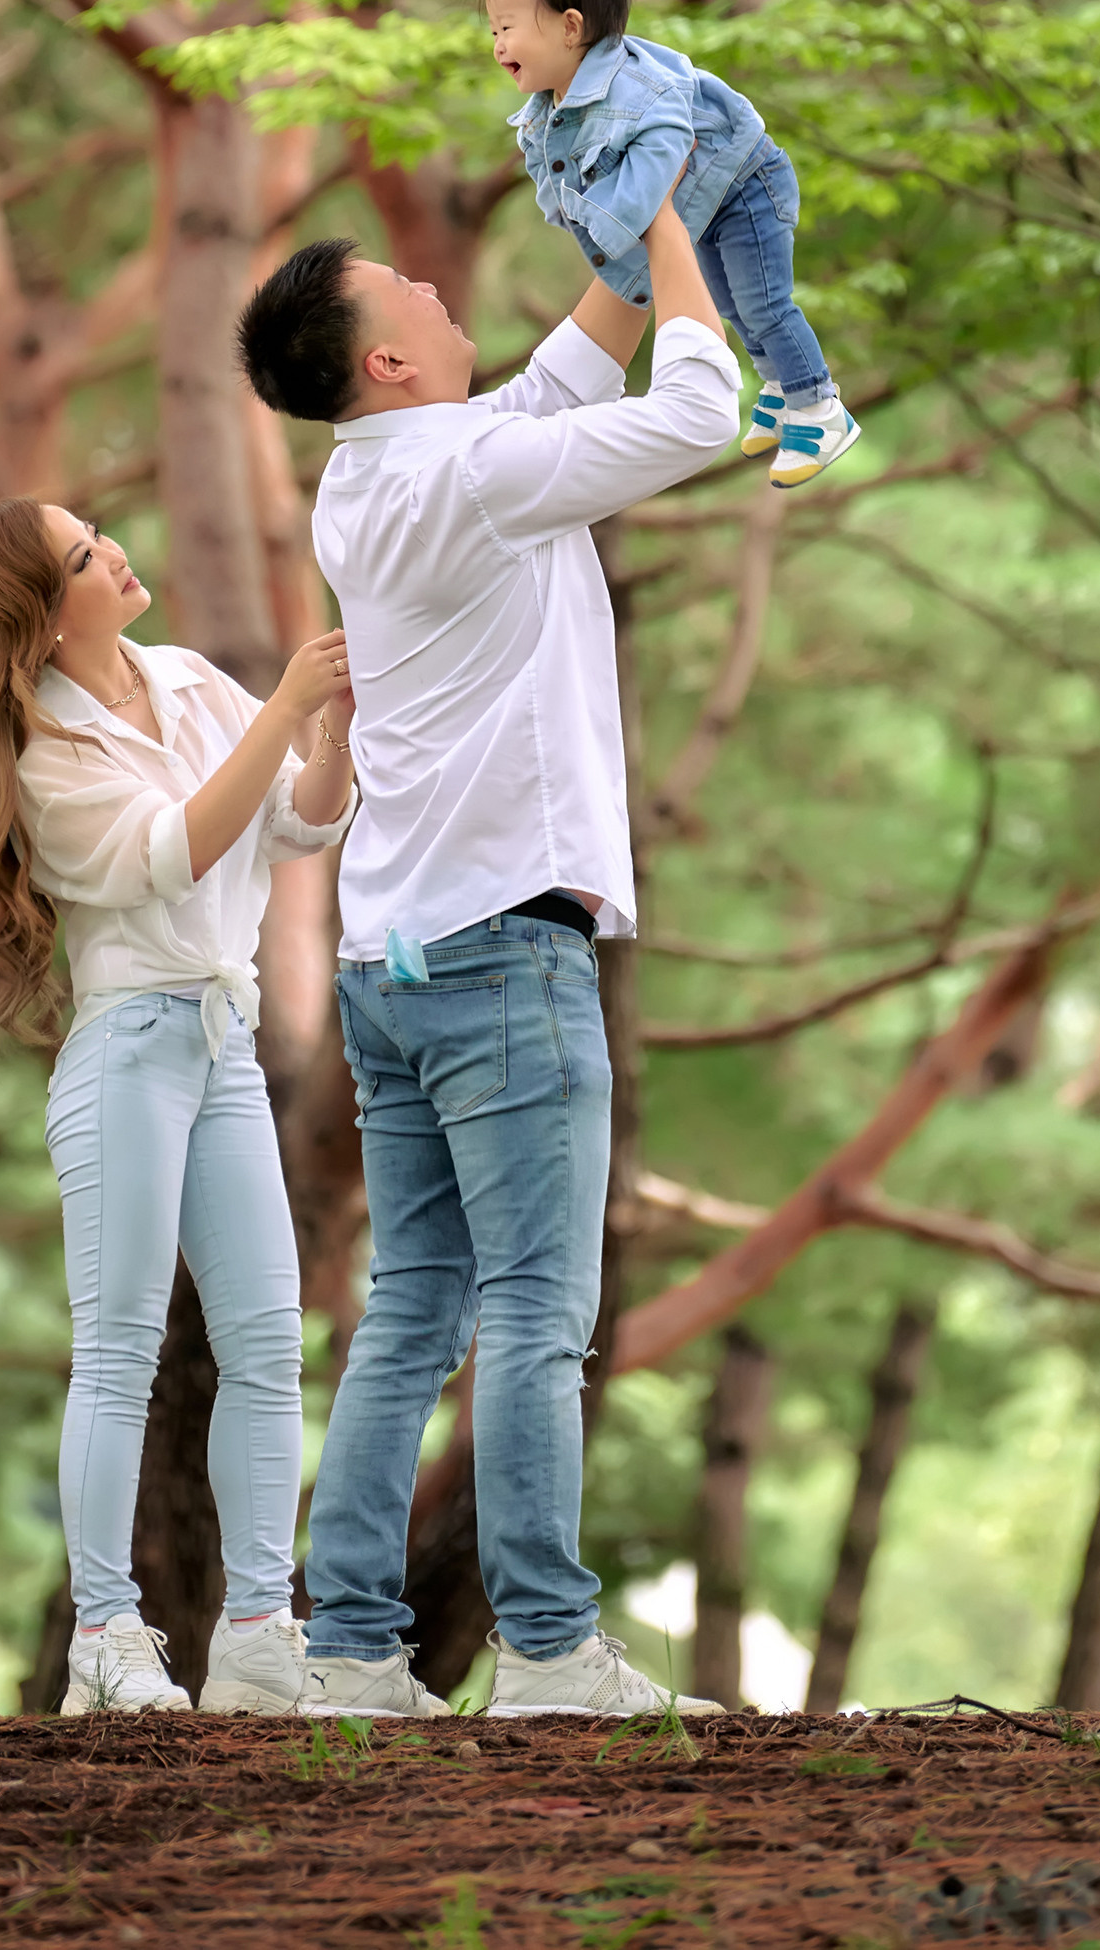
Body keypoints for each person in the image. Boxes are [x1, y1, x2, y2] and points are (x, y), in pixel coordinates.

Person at [236, 182, 736, 1720]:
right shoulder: (469, 472)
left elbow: (543, 396)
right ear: (384, 363)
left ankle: (352, 1646)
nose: (446, 296)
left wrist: (616, 251)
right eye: (413, 292)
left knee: (414, 1308)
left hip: (397, 958)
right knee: (534, 1308)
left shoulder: (370, 481)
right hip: (509, 949)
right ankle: (542, 1644)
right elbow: (701, 410)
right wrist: (674, 231)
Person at [0, 503, 356, 1717]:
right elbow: (171, 852)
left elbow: (294, 827)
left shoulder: (188, 680)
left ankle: (261, 1635)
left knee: (268, 1346)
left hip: (224, 1045)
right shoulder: (39, 752)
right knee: (119, 1352)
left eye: (96, 531)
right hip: (130, 1050)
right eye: (80, 556)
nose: (113, 550)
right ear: (46, 617)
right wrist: (284, 712)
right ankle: (107, 1640)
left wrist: (332, 730)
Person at [486, 0, 858, 487]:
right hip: (702, 205)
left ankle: (819, 406)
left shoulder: (636, 85)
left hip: (743, 185)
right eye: (493, 32)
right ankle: (783, 387)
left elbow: (665, 153)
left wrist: (610, 217)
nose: (498, 44)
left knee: (764, 303)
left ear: (571, 26)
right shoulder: (547, 110)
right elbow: (555, 184)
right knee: (733, 306)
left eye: (507, 28)